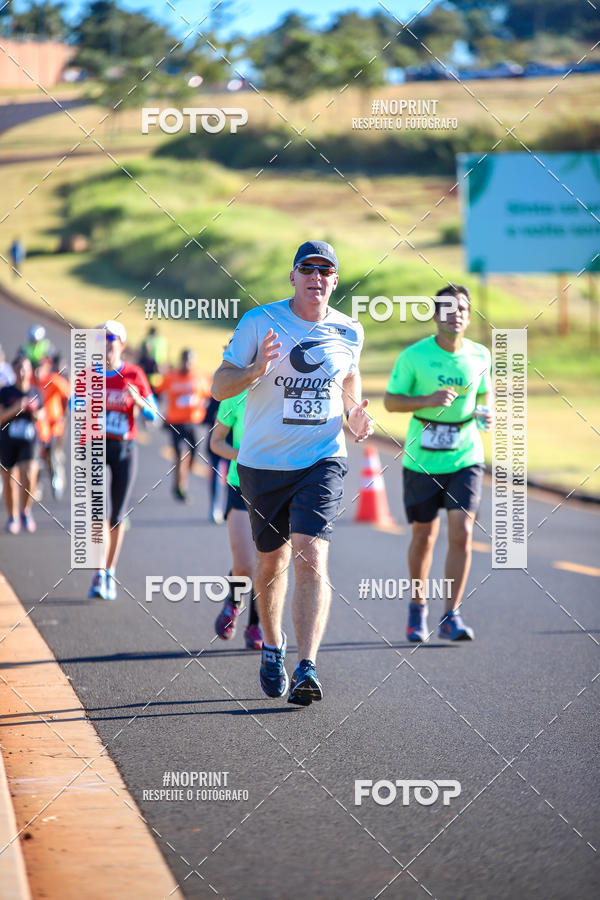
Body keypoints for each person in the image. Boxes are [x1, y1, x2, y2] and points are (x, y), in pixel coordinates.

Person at [212, 240, 373, 706]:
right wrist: (256, 369)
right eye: (308, 269)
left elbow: (349, 380)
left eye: (326, 271)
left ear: (335, 281)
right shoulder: (259, 322)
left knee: (312, 556)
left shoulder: (349, 331)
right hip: (262, 464)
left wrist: (356, 415)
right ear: (293, 276)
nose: (316, 278)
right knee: (270, 561)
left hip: (323, 458)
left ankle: (307, 666)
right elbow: (219, 384)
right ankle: (272, 645)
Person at [383, 284, 493, 643]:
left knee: (462, 533)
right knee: (424, 536)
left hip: (466, 455)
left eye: (462, 308)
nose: (456, 314)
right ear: (435, 315)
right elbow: (390, 402)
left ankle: (452, 615)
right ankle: (417, 609)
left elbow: (483, 394)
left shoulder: (479, 355)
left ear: (468, 315)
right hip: (422, 459)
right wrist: (427, 398)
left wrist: (483, 414)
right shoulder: (413, 357)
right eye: (448, 308)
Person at [88, 320, 158, 600]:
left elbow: (154, 415)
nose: (105, 346)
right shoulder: (90, 373)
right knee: (97, 514)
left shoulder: (134, 373)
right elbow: (73, 406)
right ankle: (97, 572)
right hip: (96, 448)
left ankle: (110, 570)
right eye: (101, 340)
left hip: (124, 450)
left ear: (121, 344)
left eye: (111, 341)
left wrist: (139, 402)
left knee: (116, 516)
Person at [210, 389, 263, 650]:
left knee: (267, 563)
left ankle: (256, 624)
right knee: (245, 563)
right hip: (240, 484)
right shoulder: (235, 394)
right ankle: (233, 600)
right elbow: (216, 442)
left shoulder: (286, 390)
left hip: (277, 489)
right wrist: (241, 455)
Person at [154, 349, 212, 501]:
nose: (187, 363)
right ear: (181, 360)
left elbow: (212, 396)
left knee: (194, 456)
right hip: (175, 422)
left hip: (194, 423)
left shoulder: (200, 377)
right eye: (185, 360)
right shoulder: (170, 376)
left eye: (190, 360)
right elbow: (158, 393)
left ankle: (186, 472)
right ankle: (180, 487)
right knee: (180, 455)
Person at [0, 355, 42, 534]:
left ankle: (25, 510)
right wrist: (17, 407)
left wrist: (34, 413)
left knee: (29, 473)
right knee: (9, 481)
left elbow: (43, 415)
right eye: (19, 369)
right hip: (8, 440)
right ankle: (12, 516)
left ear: (31, 371)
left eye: (25, 368)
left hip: (28, 441)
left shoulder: (36, 392)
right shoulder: (5, 392)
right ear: (14, 371)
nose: (22, 372)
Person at [34, 356, 70, 500]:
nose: (37, 372)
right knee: (38, 456)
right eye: (35, 369)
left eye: (40, 369)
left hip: (54, 426)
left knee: (53, 454)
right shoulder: (32, 382)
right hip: (40, 428)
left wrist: (64, 414)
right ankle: (36, 486)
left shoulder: (54, 380)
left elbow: (69, 395)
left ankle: (57, 478)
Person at [138, 326, 168, 394]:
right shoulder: (162, 340)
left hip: (149, 365)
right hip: (159, 365)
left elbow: (140, 352)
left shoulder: (146, 339)